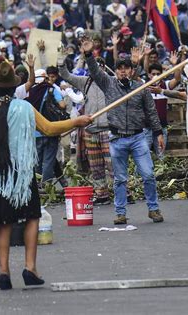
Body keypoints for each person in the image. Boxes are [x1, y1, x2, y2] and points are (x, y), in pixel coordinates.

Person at [0, 56, 92, 290]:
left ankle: (3, 272)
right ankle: (30, 268)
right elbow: (50, 128)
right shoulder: (24, 108)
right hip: (21, 173)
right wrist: (76, 122)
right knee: (31, 218)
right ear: (14, 86)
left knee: (3, 223)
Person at [82, 37, 165, 225]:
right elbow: (95, 71)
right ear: (116, 71)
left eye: (126, 68)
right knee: (120, 179)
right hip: (117, 138)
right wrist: (88, 54)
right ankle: (120, 212)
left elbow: (151, 112)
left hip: (138, 137)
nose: (123, 71)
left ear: (131, 70)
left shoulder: (140, 87)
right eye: (119, 68)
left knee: (148, 174)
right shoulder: (108, 84)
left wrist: (158, 132)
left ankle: (153, 209)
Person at [58, 52, 113, 205]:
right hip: (90, 130)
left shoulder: (110, 82)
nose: (96, 70)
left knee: (113, 164)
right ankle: (101, 194)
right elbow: (66, 76)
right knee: (96, 166)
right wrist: (61, 62)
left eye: (99, 66)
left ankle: (123, 192)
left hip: (108, 129)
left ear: (104, 69)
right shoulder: (84, 82)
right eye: (93, 67)